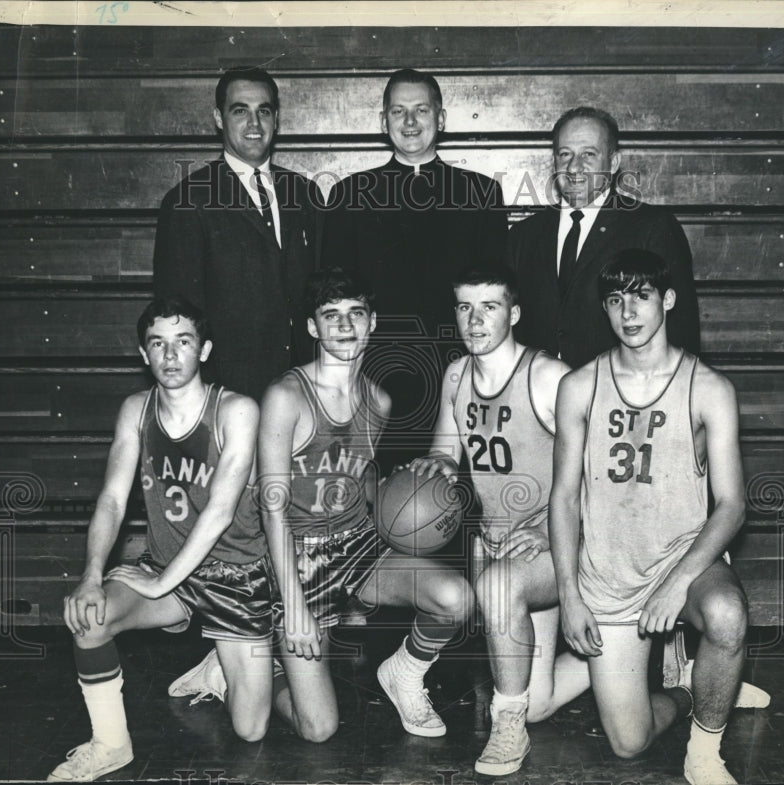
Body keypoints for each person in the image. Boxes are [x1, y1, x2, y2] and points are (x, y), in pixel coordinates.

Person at [167, 269, 475, 742]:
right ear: (313, 328)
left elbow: (362, 474)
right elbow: (271, 506)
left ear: (372, 323)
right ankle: (228, 672)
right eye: (331, 316)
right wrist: (293, 606)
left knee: (455, 598)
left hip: (355, 546)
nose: (345, 325)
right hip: (295, 555)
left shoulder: (379, 398)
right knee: (318, 729)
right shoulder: (287, 397)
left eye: (355, 314)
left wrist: (414, 485)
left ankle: (405, 673)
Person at [47, 298, 274, 781]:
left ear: (205, 350)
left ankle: (219, 664)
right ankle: (111, 743)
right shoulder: (136, 410)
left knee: (251, 730)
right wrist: (90, 575)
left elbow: (220, 511)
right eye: (158, 344)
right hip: (166, 570)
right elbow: (111, 498)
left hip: (236, 576)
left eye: (183, 342)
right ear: (143, 353)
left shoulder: (237, 410)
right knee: (90, 617)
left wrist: (158, 583)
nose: (171, 356)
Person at [549, 249, 748, 784]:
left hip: (687, 560)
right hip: (610, 572)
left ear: (669, 300)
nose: (628, 312)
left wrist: (676, 584)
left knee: (728, 616)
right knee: (628, 744)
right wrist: (570, 594)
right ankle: (688, 689)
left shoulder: (709, 388)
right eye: (616, 300)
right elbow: (564, 497)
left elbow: (732, 506)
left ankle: (704, 752)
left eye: (641, 296)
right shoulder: (579, 386)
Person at [409, 264, 584, 775]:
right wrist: (433, 467)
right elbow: (446, 451)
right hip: (501, 545)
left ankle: (506, 728)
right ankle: (627, 651)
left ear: (515, 313)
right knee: (540, 702)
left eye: (489, 306)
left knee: (499, 590)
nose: (475, 319)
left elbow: (600, 474)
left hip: (556, 545)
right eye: (464, 307)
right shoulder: (457, 375)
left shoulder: (550, 377)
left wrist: (546, 527)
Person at [321, 68, 508, 469]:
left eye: (421, 110)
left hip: (458, 376)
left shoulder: (480, 194)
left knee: (454, 499)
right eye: (398, 111)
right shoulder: (349, 196)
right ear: (383, 121)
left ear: (440, 119)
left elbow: (497, 301)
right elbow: (331, 300)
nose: (409, 122)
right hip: (375, 379)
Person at [153, 67, 319, 401]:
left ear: (277, 119)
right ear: (218, 117)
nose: (254, 125)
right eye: (240, 111)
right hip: (229, 393)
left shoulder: (304, 193)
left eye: (264, 112)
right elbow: (177, 313)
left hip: (304, 389)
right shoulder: (189, 201)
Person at [509, 106, 701, 369]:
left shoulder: (652, 227)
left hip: (620, 399)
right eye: (565, 154)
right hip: (537, 400)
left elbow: (681, 331)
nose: (574, 167)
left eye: (588, 154)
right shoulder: (524, 235)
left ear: (612, 163)